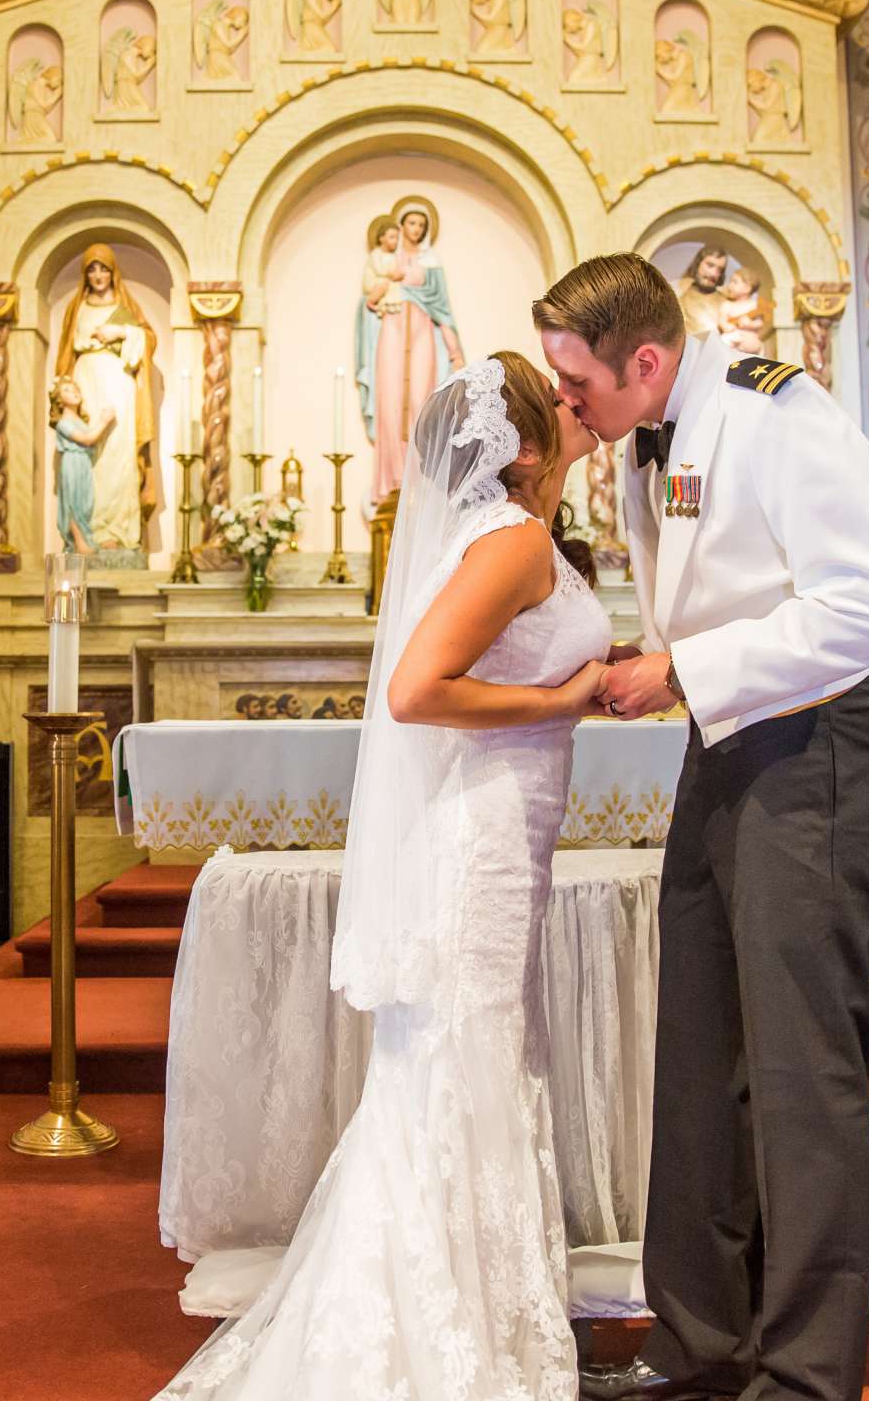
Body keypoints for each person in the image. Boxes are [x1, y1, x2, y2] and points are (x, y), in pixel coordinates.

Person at [154, 352, 611, 1399]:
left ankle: (462, 1309)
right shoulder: (511, 538)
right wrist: (558, 703)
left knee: (465, 1068)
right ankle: (446, 1334)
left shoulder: (504, 535)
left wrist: (582, 688)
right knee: (466, 1068)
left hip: (502, 832)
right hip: (482, 839)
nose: (581, 408)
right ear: (525, 448)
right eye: (563, 403)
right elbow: (415, 690)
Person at [535, 253, 869, 1401]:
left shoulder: (778, 415)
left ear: (646, 362)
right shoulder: (643, 432)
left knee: (801, 1072)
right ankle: (698, 1341)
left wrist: (683, 669)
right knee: (699, 1054)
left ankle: (803, 1370)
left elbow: (867, 608)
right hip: (726, 746)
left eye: (576, 380)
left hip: (812, 751)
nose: (565, 403)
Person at [52, 243, 162, 551]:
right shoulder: (78, 307)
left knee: (119, 456)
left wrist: (122, 333)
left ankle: (118, 533)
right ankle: (90, 532)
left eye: (103, 268)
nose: (98, 275)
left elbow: (148, 339)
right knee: (90, 458)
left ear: (113, 272)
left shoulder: (125, 305)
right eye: (92, 269)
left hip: (119, 382)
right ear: (85, 274)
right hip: (86, 382)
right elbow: (65, 351)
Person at [353, 199, 465, 503]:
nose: (415, 229)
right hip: (390, 330)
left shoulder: (431, 260)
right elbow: (368, 301)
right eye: (410, 223)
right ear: (400, 226)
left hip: (421, 332)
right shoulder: (386, 258)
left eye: (420, 224)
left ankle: (419, 483)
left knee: (420, 400)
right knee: (389, 401)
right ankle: (390, 481)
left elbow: (441, 305)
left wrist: (455, 351)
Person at [51, 374, 112, 553]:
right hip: (72, 463)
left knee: (86, 502)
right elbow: (87, 439)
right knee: (73, 501)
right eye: (67, 390)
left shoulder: (79, 421)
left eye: (75, 389)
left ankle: (88, 539)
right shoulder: (63, 423)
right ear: (59, 399)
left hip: (83, 463)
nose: (74, 392)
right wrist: (105, 421)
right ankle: (79, 542)